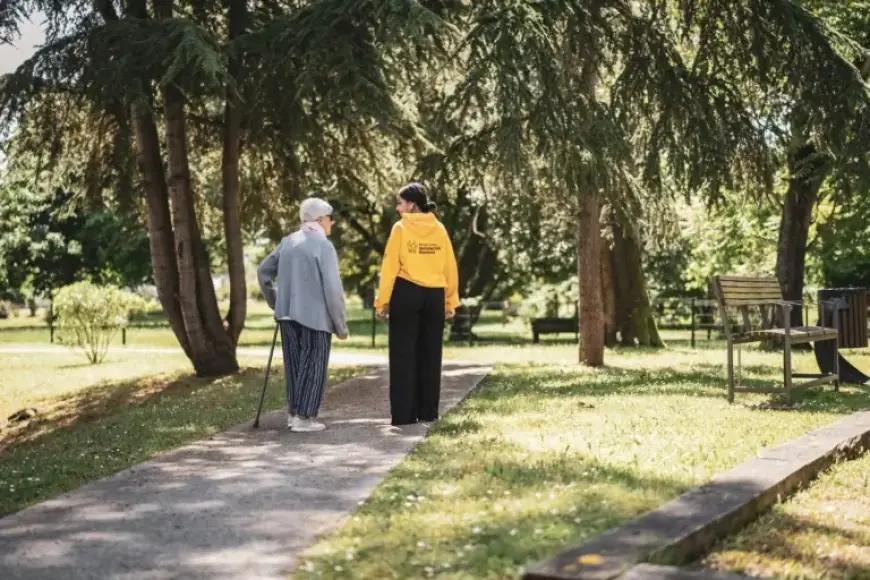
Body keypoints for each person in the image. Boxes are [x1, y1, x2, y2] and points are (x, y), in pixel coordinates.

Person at [257, 196, 348, 433]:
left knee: (295, 366)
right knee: (314, 365)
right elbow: (333, 288)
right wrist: (340, 325)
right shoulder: (323, 246)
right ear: (319, 219)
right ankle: (304, 418)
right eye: (330, 219)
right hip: (316, 318)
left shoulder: (288, 242)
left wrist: (276, 301)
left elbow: (263, 272)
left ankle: (294, 414)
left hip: (287, 315)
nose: (332, 223)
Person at [375, 182, 459, 426]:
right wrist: (450, 300)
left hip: (406, 293)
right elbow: (449, 266)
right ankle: (428, 412)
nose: (397, 208)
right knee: (431, 355)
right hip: (434, 296)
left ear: (411, 205)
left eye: (400, 203)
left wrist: (382, 301)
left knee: (403, 355)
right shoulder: (440, 229)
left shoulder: (400, 229)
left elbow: (390, 266)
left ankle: (403, 415)